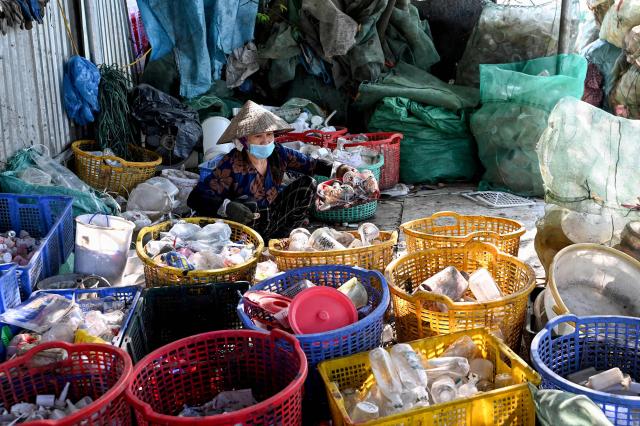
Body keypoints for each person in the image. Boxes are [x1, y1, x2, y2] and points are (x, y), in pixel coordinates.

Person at [188, 100, 354, 239]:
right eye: (258, 136)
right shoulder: (231, 164)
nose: (265, 141)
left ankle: (283, 239)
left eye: (269, 135)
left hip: (274, 222)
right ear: (244, 141)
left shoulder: (278, 153)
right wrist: (227, 207)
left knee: (307, 184)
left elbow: (311, 164)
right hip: (245, 230)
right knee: (250, 205)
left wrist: (342, 169)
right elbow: (196, 198)